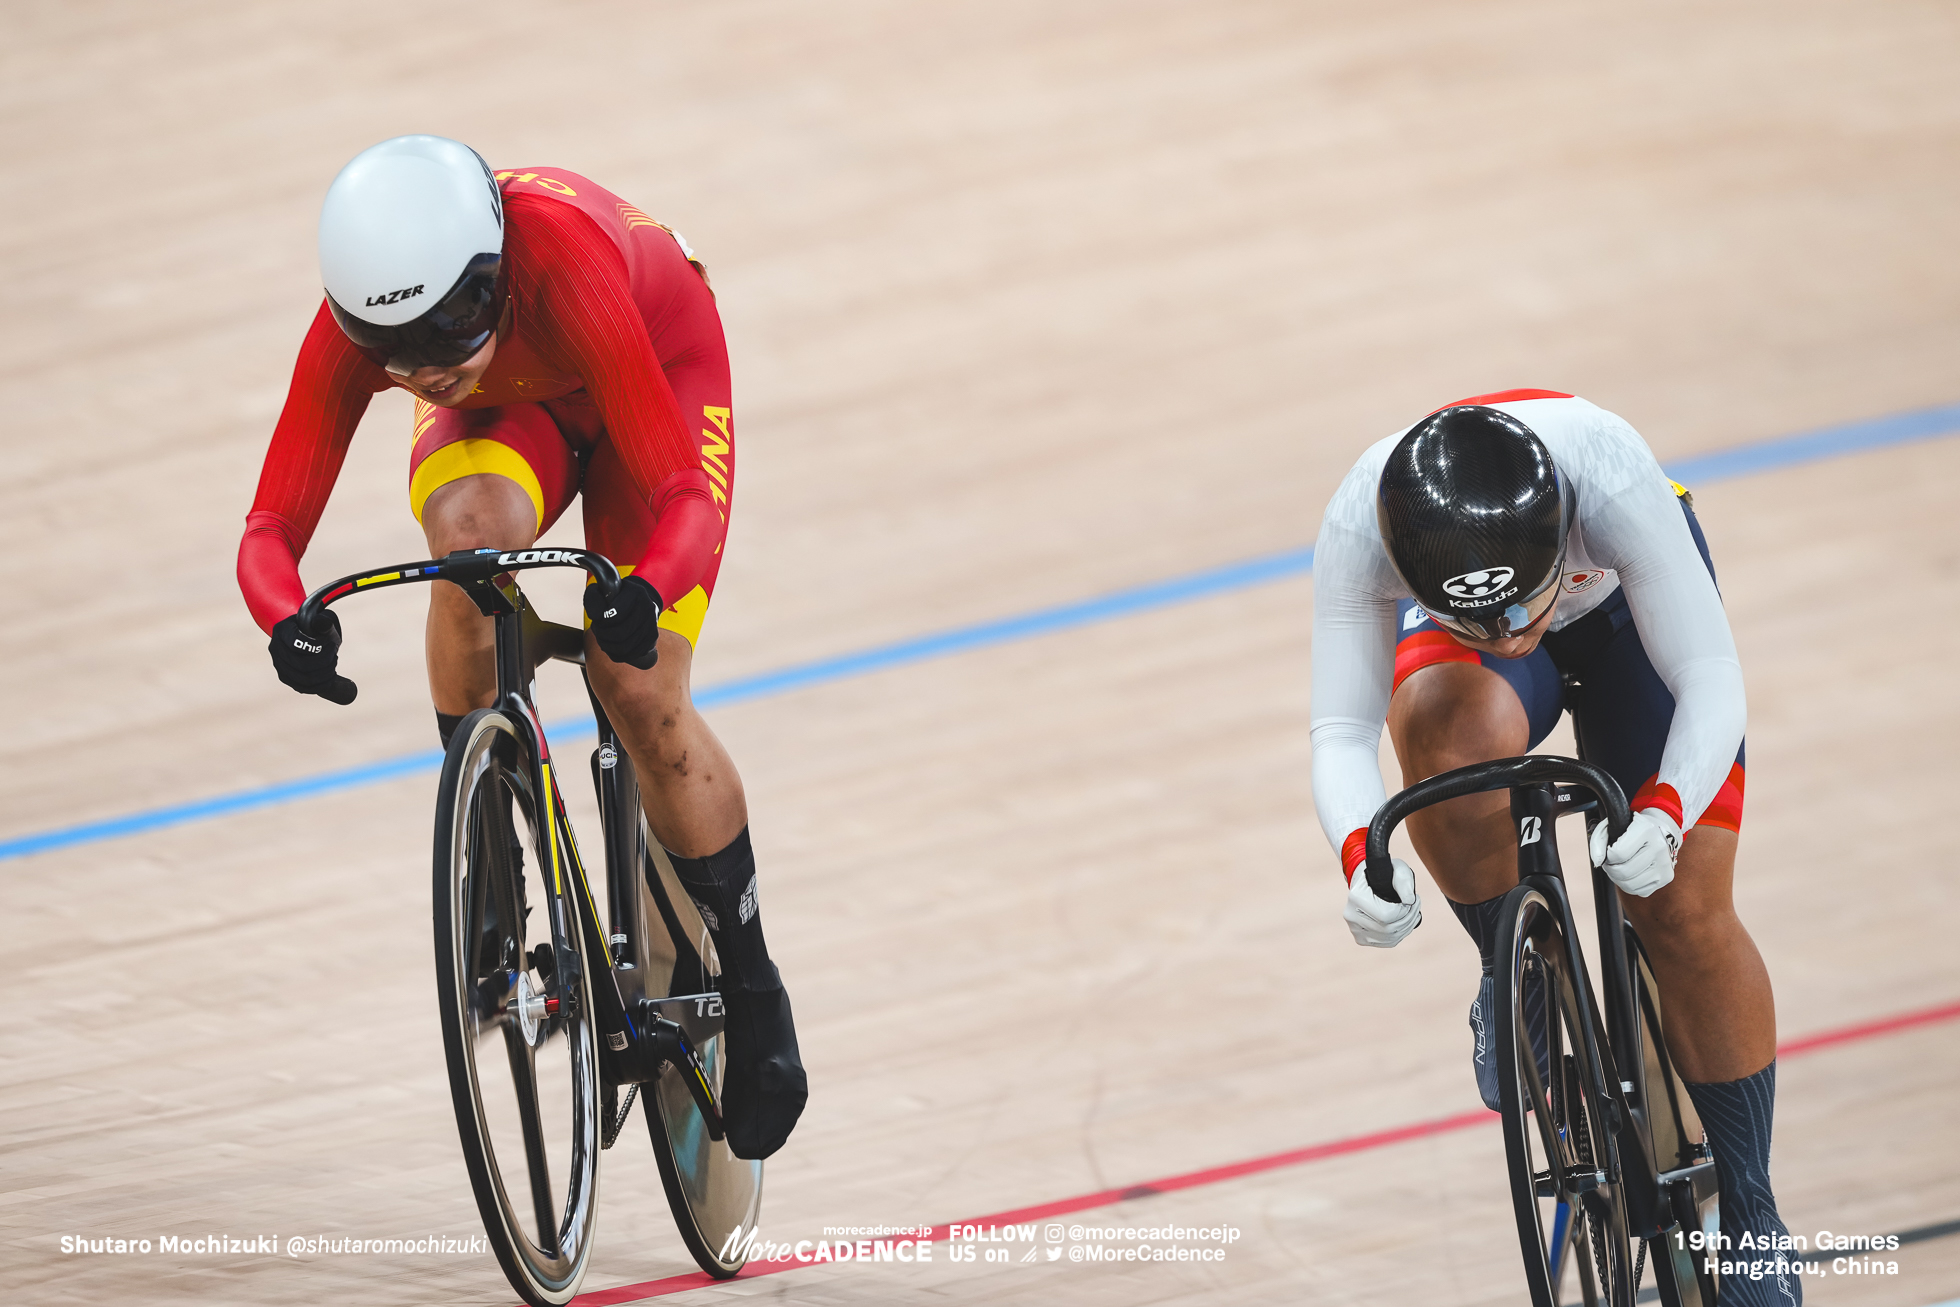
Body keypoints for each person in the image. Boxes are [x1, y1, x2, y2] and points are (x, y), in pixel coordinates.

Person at [236, 134, 805, 1160]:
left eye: (451, 328)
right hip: (520, 406)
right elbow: (270, 527)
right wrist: (285, 615)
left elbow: (677, 492)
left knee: (636, 689)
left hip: (653, 365)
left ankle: (757, 981)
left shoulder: (567, 264)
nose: (429, 371)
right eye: (395, 350)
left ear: (491, 276)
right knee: (463, 553)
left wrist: (647, 595)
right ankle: (490, 832)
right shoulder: (398, 342)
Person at [1310, 390, 1798, 1303]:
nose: (1512, 635)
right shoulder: (1363, 520)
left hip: (1621, 613)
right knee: (1438, 733)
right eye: (1481, 620)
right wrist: (1357, 855)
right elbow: (1340, 731)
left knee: (1684, 907)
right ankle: (1513, 965)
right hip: (1487, 658)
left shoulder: (1606, 471)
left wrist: (1662, 809)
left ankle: (1752, 1211)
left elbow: (1711, 678)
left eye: (1522, 608)